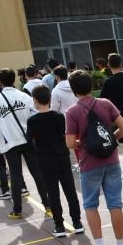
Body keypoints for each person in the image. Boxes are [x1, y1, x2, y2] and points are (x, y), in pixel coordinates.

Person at [64, 70, 123, 245]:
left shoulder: (72, 112)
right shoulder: (106, 103)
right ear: (92, 85)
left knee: (91, 205)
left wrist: (84, 144)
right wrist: (110, 140)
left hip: (89, 163)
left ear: (73, 90)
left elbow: (69, 143)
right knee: (115, 203)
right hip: (111, 160)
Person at [0, 69, 49, 220]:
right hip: (28, 140)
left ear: (0, 81)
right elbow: (38, 113)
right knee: (37, 173)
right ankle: (48, 205)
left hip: (10, 143)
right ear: (14, 79)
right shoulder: (23, 96)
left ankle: (17, 210)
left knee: (16, 176)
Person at [27, 85, 83, 236]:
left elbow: (29, 141)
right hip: (62, 157)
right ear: (50, 99)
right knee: (70, 191)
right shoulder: (59, 116)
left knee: (53, 194)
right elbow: (66, 135)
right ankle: (77, 222)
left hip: (45, 160)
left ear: (35, 101)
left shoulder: (32, 121)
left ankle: (59, 225)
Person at [99, 53, 123, 178]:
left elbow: (102, 100)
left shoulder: (109, 82)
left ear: (109, 65)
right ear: (121, 63)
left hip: (118, 117)